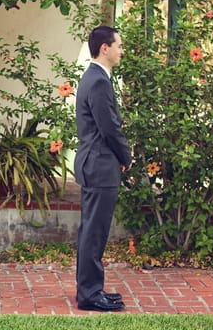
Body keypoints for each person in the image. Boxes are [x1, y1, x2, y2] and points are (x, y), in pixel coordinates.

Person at [74, 26, 132, 312]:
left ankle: (92, 289)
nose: (122, 50)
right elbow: (109, 126)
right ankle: (89, 294)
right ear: (104, 48)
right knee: (94, 233)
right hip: (99, 164)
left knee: (93, 231)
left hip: (96, 163)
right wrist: (126, 155)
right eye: (119, 45)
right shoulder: (98, 80)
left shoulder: (96, 77)